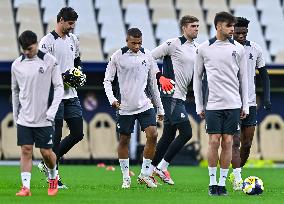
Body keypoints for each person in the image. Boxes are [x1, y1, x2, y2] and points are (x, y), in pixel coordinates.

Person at [193, 12, 249, 196]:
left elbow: (244, 79)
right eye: (228, 26)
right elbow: (197, 79)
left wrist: (245, 105)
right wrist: (199, 105)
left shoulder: (239, 49)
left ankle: (222, 184)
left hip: (233, 104)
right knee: (214, 141)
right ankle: (212, 183)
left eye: (233, 26)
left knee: (228, 141)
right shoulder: (203, 48)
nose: (232, 29)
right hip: (213, 105)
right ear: (218, 26)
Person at [104, 28, 164, 189]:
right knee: (124, 140)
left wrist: (160, 108)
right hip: (124, 106)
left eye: (139, 43)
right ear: (127, 40)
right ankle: (126, 177)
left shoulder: (148, 55)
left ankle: (144, 174)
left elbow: (153, 84)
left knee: (153, 134)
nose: (137, 46)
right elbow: (107, 81)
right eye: (133, 43)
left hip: (145, 104)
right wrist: (112, 99)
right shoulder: (117, 56)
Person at [38, 7, 86, 189]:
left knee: (77, 133)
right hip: (54, 94)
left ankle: (47, 162)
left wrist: (78, 71)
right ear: (60, 20)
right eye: (69, 23)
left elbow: (77, 60)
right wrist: (61, 77)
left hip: (71, 94)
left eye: (74, 24)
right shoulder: (47, 41)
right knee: (56, 137)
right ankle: (55, 178)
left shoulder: (74, 39)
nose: (72, 27)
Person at [12, 30, 64, 196]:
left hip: (44, 118)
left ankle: (53, 177)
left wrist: (52, 110)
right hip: (24, 118)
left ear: (36, 44)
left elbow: (59, 87)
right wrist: (15, 115)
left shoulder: (49, 61)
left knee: (46, 153)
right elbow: (15, 90)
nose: (27, 52)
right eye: (24, 49)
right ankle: (26, 187)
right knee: (26, 150)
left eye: (30, 48)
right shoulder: (16, 65)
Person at [150, 15, 199, 185]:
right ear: (184, 28)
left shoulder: (197, 48)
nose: (196, 28)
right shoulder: (173, 44)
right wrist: (160, 77)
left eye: (198, 26)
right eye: (193, 26)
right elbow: (149, 58)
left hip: (181, 96)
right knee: (186, 132)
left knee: (168, 135)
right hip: (169, 95)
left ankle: (148, 170)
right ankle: (162, 167)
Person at [229, 17, 271, 190]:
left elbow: (264, 74)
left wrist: (267, 97)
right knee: (236, 142)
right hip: (231, 101)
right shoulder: (226, 48)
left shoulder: (255, 48)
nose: (240, 36)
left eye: (243, 33)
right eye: (237, 33)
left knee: (247, 144)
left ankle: (235, 172)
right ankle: (237, 178)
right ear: (232, 31)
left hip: (251, 102)